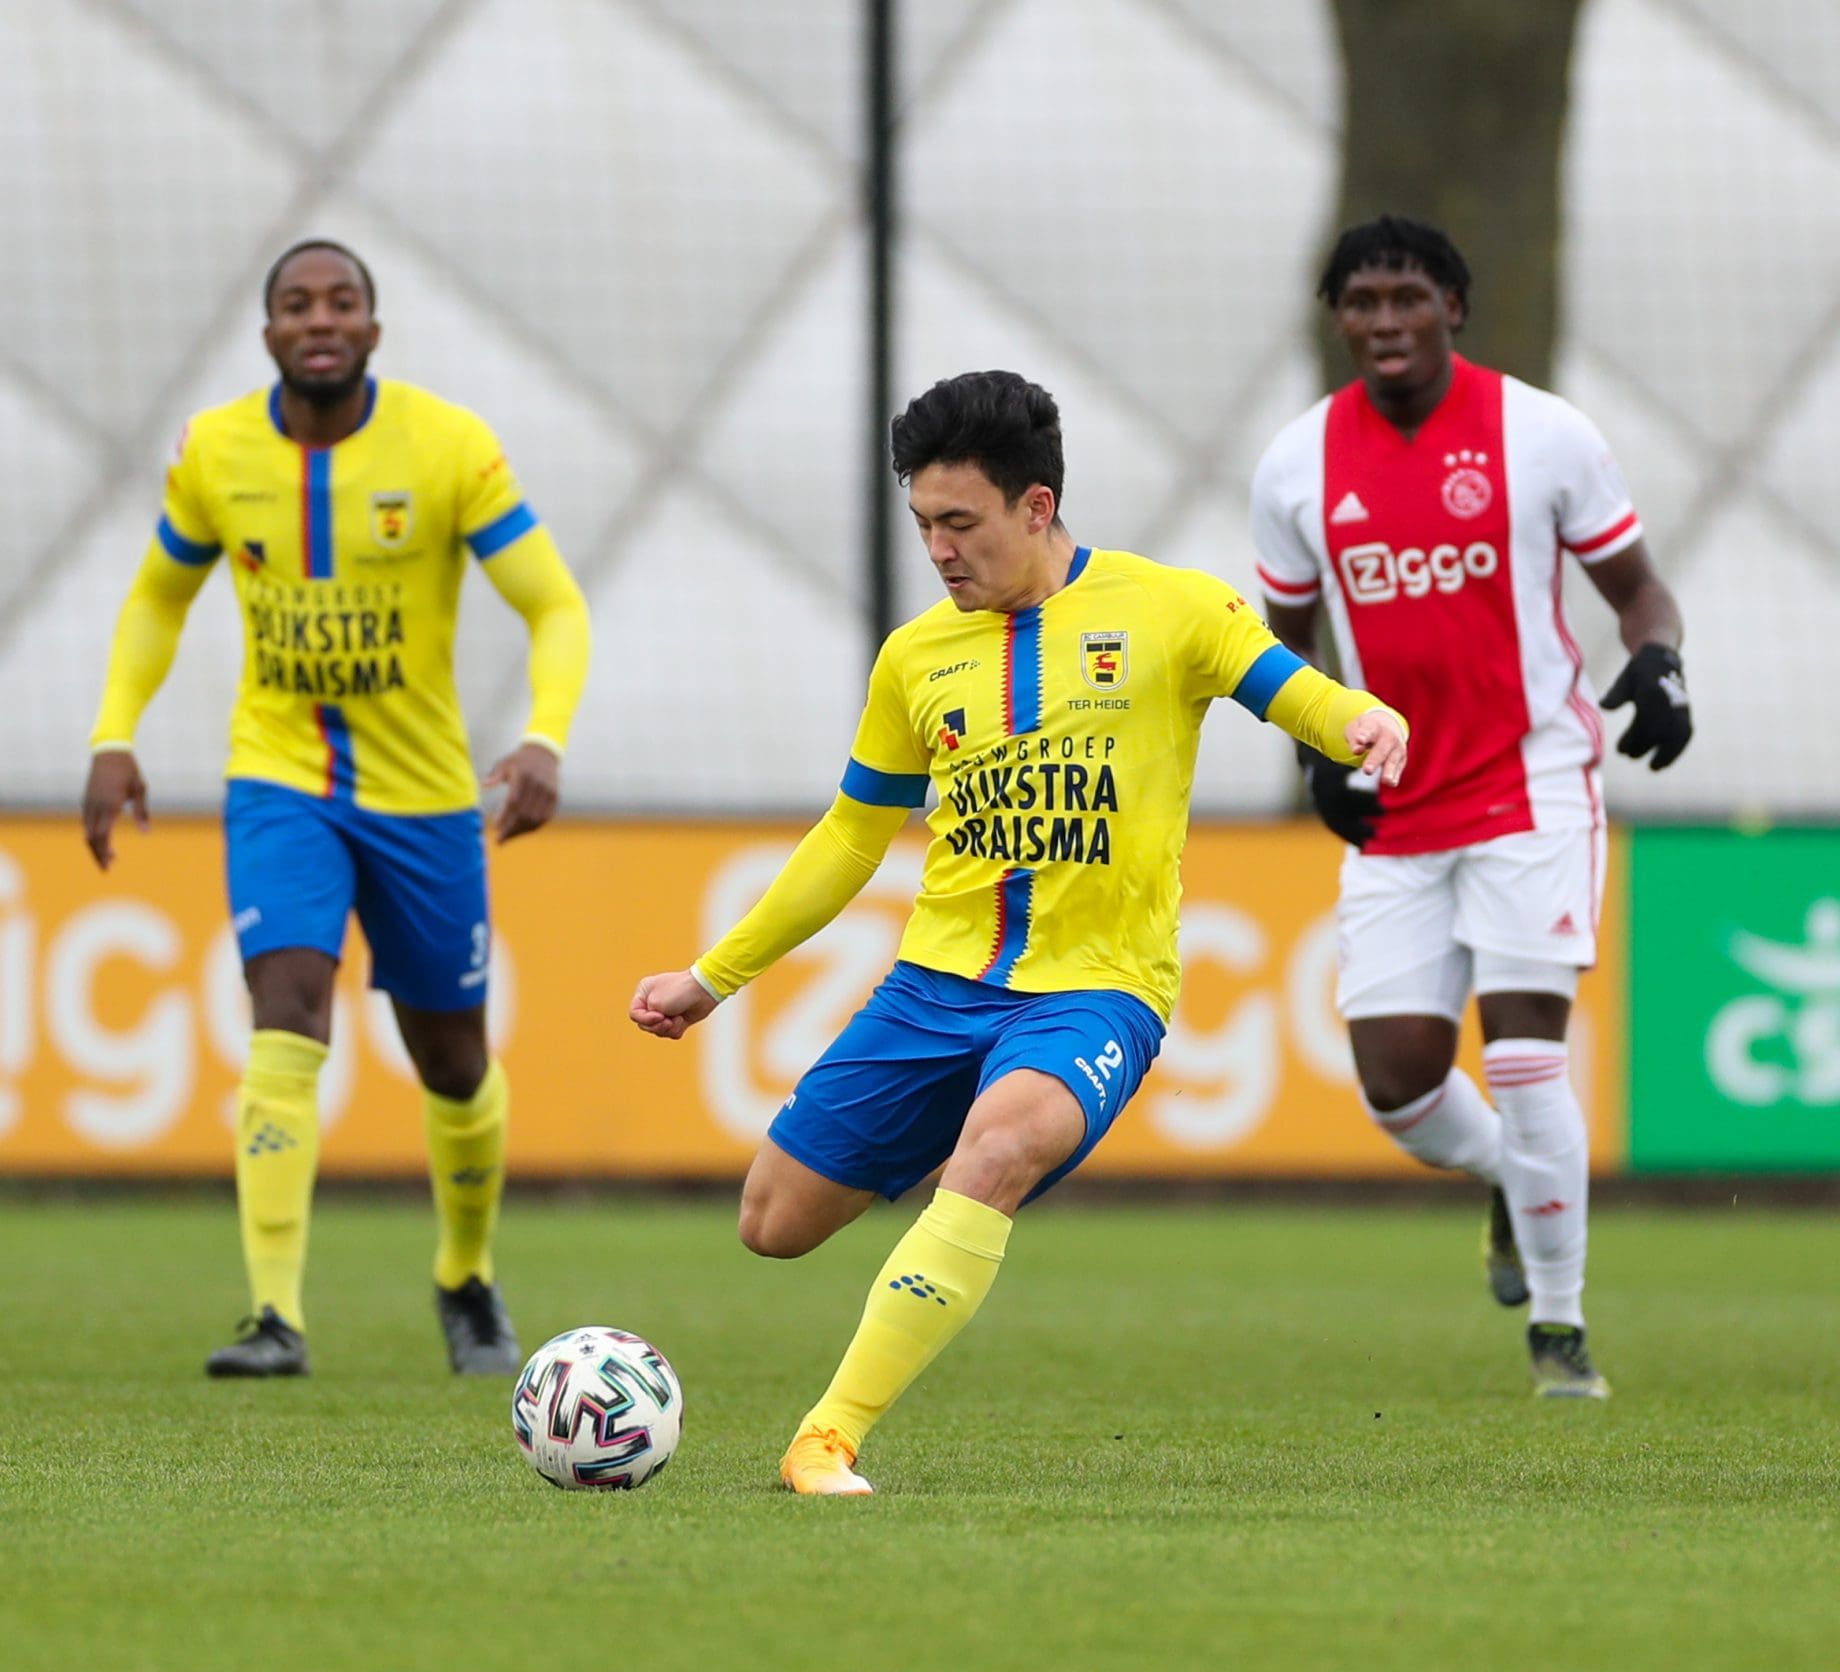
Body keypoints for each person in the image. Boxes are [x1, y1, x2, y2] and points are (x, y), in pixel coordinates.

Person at [628, 370, 1408, 1496]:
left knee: (992, 1156)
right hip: (937, 986)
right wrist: (716, 977)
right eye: (923, 526)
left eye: (961, 523)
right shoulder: (915, 659)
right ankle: (941, 1179)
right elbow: (851, 839)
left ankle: (826, 1438)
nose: (940, 550)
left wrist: (1362, 724)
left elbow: (1293, 690)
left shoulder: (1170, 609)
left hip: (1098, 989)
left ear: (1034, 507)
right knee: (772, 1222)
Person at [83, 240, 592, 1379]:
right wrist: (114, 733)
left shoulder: (448, 447)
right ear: (267, 333)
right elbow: (159, 596)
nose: (320, 318)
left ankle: (466, 1278)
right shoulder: (216, 451)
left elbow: (554, 605)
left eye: (342, 302)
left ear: (372, 327)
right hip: (280, 783)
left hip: (424, 800)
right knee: (287, 1007)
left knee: (453, 1062)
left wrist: (545, 738)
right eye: (296, 304)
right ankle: (275, 1317)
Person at [1248, 215, 1690, 1399]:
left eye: (1408, 297)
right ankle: (1509, 1179)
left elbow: (1638, 591)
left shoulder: (1544, 434)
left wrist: (1660, 664)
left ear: (1453, 307)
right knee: (1396, 1086)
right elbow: (1281, 644)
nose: (1385, 321)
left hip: (1532, 784)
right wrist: (1314, 745)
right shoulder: (1295, 466)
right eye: (1362, 301)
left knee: (1530, 1061)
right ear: (1337, 318)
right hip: (1396, 804)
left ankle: (1560, 1334)